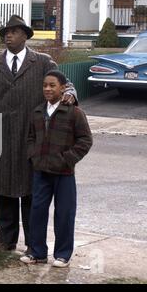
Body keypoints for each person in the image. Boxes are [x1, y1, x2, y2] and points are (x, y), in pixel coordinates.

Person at [0, 15, 77, 252]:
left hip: (33, 136)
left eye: (13, 31)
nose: (8, 36)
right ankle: (7, 239)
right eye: (5, 33)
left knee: (32, 192)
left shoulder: (42, 62)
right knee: (3, 189)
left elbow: (66, 83)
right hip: (2, 135)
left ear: (25, 35)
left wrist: (71, 94)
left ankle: (34, 245)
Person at [20, 70, 93, 267]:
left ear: (63, 88)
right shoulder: (37, 112)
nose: (47, 89)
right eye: (45, 85)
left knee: (64, 213)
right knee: (37, 211)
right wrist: (33, 156)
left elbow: (85, 140)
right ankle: (37, 252)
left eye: (52, 85)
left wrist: (67, 159)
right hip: (41, 171)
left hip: (64, 173)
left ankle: (62, 254)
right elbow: (30, 138)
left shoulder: (74, 112)